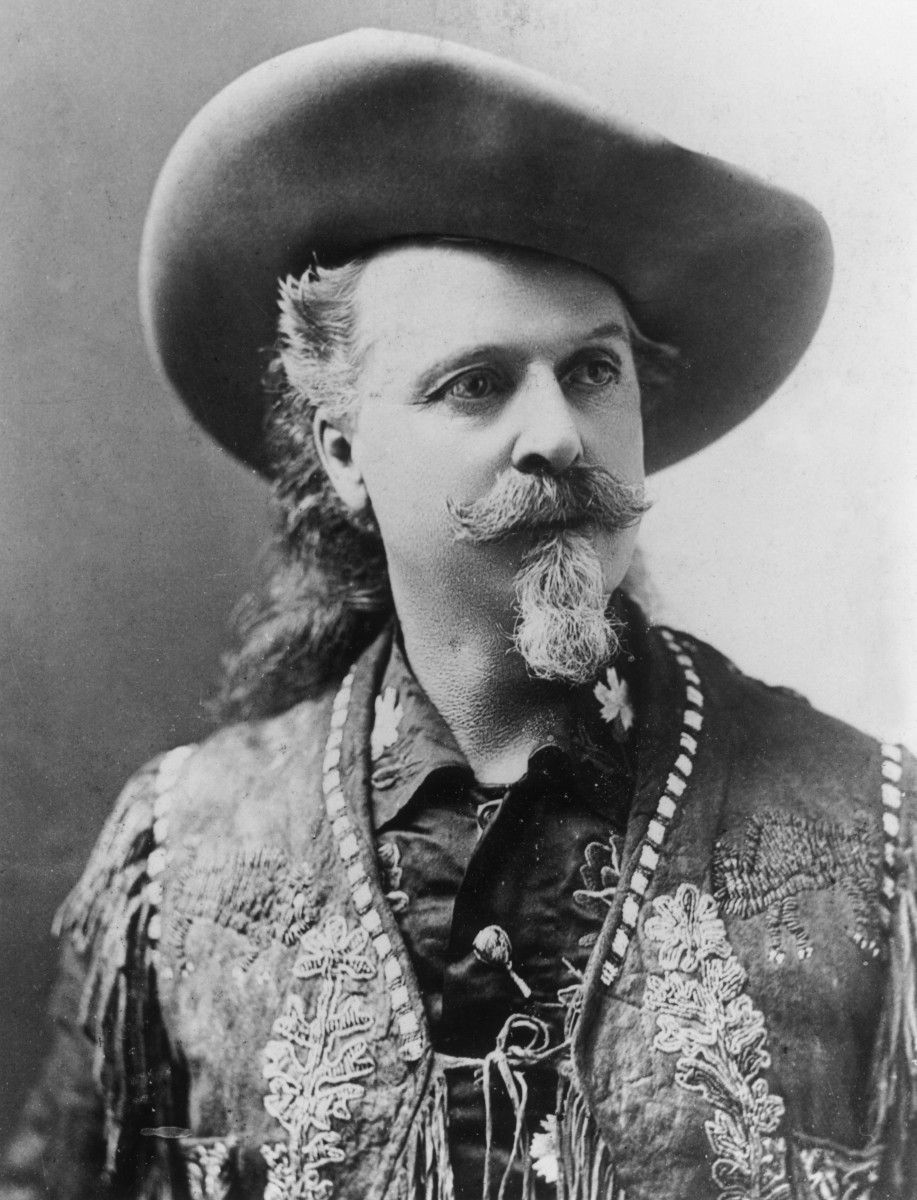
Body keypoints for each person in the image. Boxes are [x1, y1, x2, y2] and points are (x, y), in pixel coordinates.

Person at [1, 27, 914, 1200]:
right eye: (475, 384)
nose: (557, 435)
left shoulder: (872, 845)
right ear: (343, 453)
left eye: (591, 371)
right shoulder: (178, 861)